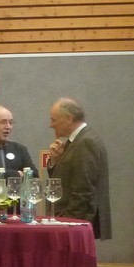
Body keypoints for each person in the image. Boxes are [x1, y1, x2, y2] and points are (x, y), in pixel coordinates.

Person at [46, 96, 111, 238]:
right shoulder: (77, 140)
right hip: (70, 219)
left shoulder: (85, 142)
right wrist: (56, 161)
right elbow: (67, 177)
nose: (51, 125)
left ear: (69, 118)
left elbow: (84, 188)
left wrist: (69, 221)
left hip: (74, 222)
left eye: (54, 120)